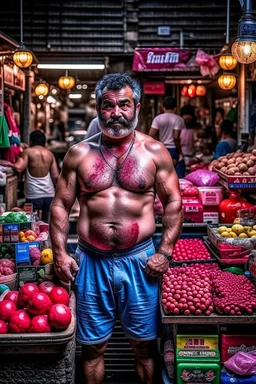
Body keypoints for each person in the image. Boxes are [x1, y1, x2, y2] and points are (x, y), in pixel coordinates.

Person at [49, 73, 183, 384]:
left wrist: (165, 252)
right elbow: (59, 205)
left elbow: (174, 202)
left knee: (144, 347)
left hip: (140, 262)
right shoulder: (79, 154)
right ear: (98, 108)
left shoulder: (154, 152)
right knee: (93, 348)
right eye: (108, 106)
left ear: (137, 106)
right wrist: (60, 252)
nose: (116, 113)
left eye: (124, 104)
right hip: (92, 261)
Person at [12, 130, 59, 222]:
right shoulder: (49, 154)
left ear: (31, 141)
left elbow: (18, 168)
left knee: (32, 224)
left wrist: (12, 162)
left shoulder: (27, 152)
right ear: (44, 142)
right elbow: (56, 176)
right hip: (49, 194)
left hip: (33, 195)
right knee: (47, 225)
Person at [148, 96, 185, 178]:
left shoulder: (158, 119)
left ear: (163, 107)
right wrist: (181, 152)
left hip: (161, 149)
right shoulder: (179, 119)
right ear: (175, 108)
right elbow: (176, 137)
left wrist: (158, 141)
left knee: (162, 175)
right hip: (174, 150)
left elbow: (151, 135)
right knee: (175, 175)